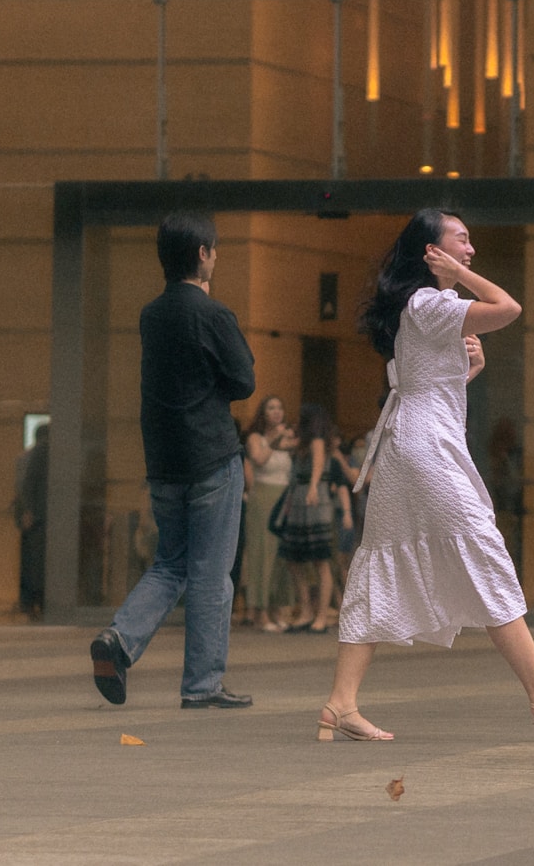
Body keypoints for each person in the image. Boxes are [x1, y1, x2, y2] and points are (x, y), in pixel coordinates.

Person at [319, 208, 534, 742]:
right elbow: (509, 307)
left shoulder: (425, 307)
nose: (470, 249)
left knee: (380, 562)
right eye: (461, 241)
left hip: (412, 444)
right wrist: (458, 274)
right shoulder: (429, 302)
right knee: (482, 549)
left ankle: (340, 704)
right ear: (433, 251)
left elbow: (429, 385)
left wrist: (468, 371)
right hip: (425, 448)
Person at [89, 211, 256, 709]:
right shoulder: (213, 314)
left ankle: (119, 639)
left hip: (163, 462)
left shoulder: (151, 315)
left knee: (170, 565)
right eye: (215, 250)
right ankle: (202, 686)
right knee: (210, 575)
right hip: (211, 457)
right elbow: (244, 381)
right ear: (202, 254)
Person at [277, 403, 345, 634]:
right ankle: (306, 610)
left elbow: (317, 465)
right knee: (294, 558)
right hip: (299, 498)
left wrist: (314, 486)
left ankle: (321, 615)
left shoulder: (316, 440)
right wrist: (286, 433)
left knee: (320, 559)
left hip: (313, 499)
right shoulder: (302, 442)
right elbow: (277, 444)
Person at [241, 396, 293, 631]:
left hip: (284, 497)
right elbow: (260, 459)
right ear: (263, 413)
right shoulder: (256, 438)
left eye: (280, 407)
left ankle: (276, 609)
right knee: (262, 552)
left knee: (280, 555)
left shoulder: (287, 437)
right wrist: (275, 439)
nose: (276, 412)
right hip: (263, 498)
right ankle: (259, 612)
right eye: (271, 407)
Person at [15, 423, 50, 617]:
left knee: (30, 560)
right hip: (39, 516)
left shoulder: (25, 456)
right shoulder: (43, 452)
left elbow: (23, 485)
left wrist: (25, 512)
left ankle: (28, 602)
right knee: (38, 562)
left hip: (31, 515)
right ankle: (36, 601)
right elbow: (29, 483)